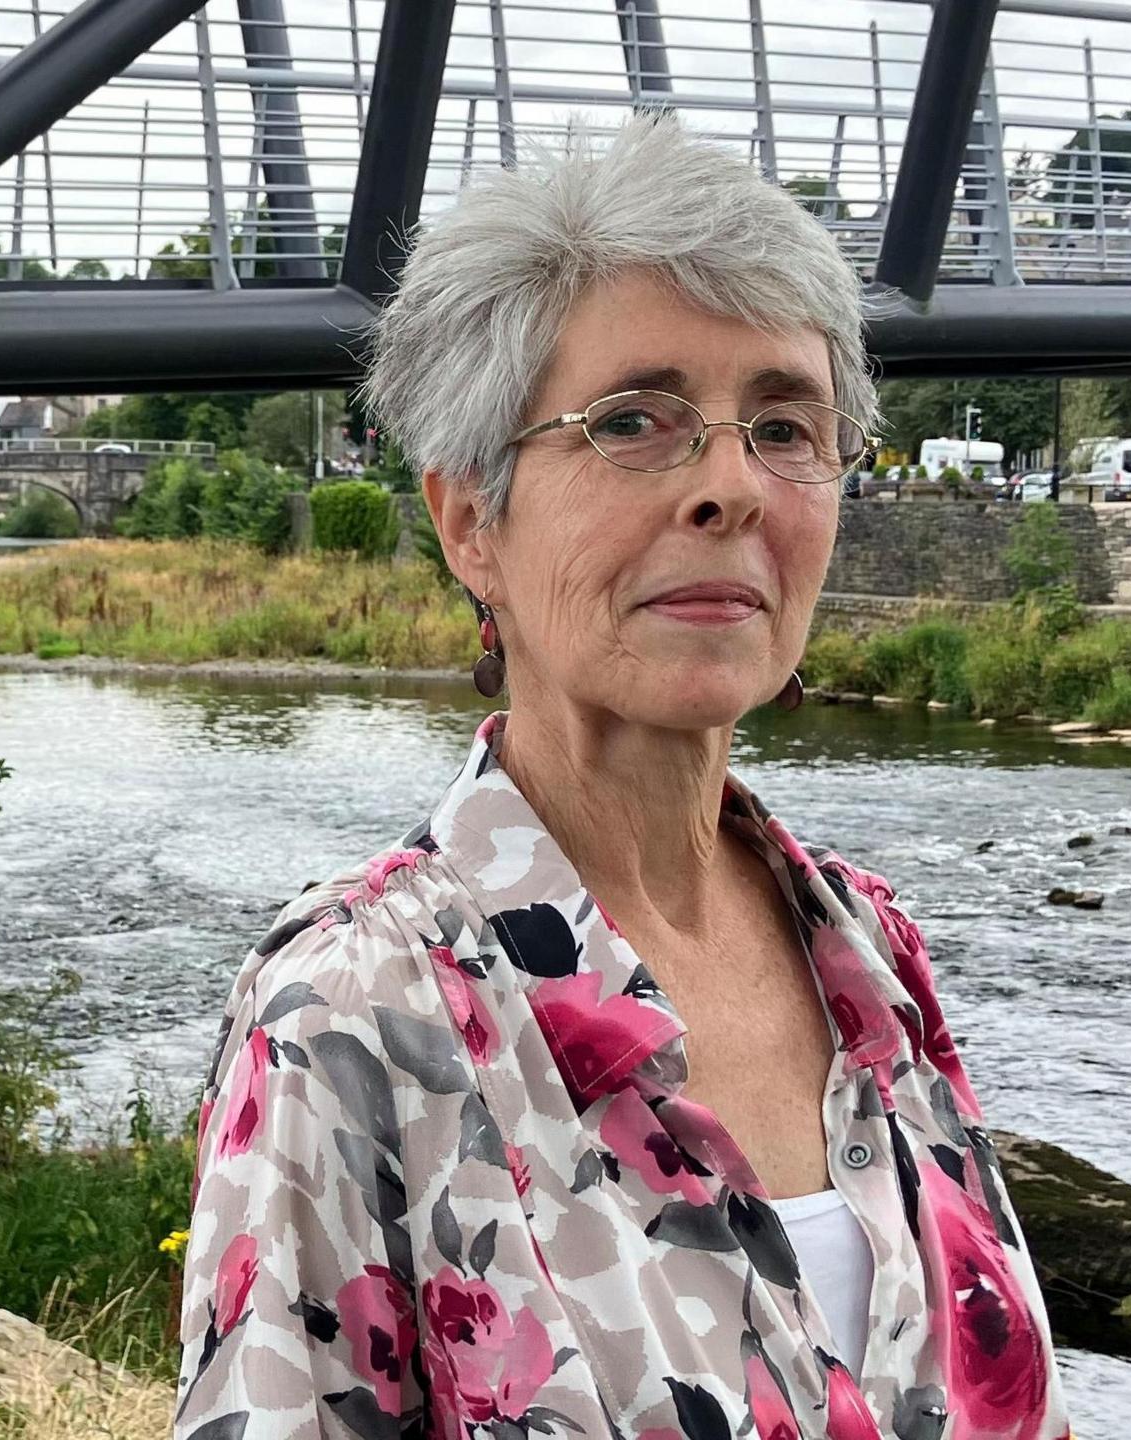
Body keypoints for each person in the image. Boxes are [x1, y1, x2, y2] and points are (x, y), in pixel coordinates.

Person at [175, 114, 1068, 1440]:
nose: (731, 487)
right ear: (472, 518)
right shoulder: (354, 1013)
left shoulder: (874, 954)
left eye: (784, 425)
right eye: (635, 422)